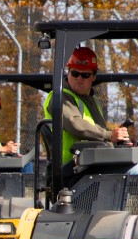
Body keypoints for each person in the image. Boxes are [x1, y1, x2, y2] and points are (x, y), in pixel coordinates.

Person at [43, 47, 129, 175]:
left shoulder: (91, 100)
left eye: (85, 75)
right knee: (135, 171)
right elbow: (75, 125)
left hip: (93, 159)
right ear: (68, 72)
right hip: (74, 164)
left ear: (93, 77)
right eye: (75, 73)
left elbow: (99, 130)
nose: (79, 78)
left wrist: (118, 142)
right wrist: (109, 135)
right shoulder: (60, 97)